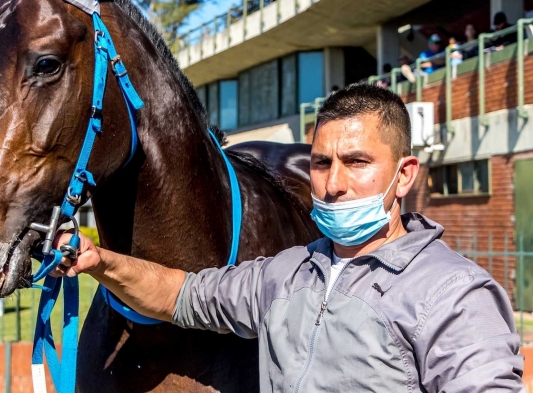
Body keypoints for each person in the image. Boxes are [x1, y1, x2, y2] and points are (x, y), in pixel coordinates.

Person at [51, 84, 523, 392]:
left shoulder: (455, 294)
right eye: (321, 163)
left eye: (357, 162)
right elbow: (179, 294)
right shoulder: (288, 273)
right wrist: (99, 261)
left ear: (404, 176)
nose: (333, 183)